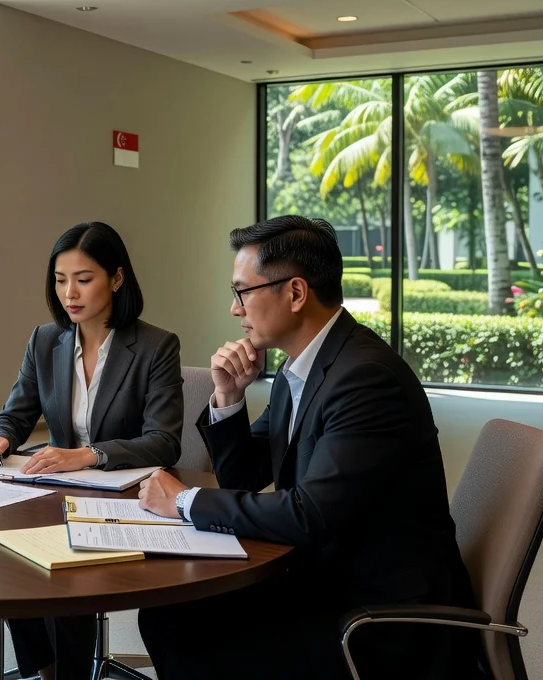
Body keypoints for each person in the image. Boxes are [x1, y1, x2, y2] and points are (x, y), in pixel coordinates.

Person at [135, 216, 482, 680]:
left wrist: (183, 500)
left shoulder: (365, 379)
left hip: (376, 613)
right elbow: (244, 479)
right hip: (325, 578)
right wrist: (229, 398)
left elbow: (308, 514)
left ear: (296, 293)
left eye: (243, 291)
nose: (234, 308)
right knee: (168, 614)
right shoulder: (301, 368)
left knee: (189, 629)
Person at [0, 221, 185, 680]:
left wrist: (88, 454)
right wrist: (0, 439)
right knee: (9, 557)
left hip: (123, 500)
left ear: (117, 278)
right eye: (60, 279)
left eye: (83, 279)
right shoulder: (45, 340)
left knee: (69, 572)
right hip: (56, 492)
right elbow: (17, 413)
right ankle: (46, 671)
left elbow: (165, 441)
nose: (70, 292)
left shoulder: (155, 347)